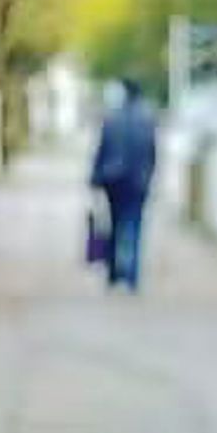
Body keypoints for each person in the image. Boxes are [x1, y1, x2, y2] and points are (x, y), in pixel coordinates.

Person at [90, 78, 157, 291]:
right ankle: (132, 276)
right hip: (138, 181)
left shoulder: (112, 117)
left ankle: (114, 273)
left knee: (115, 225)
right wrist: (149, 176)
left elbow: (102, 149)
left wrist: (95, 176)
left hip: (113, 179)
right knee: (134, 226)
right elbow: (152, 153)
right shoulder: (147, 119)